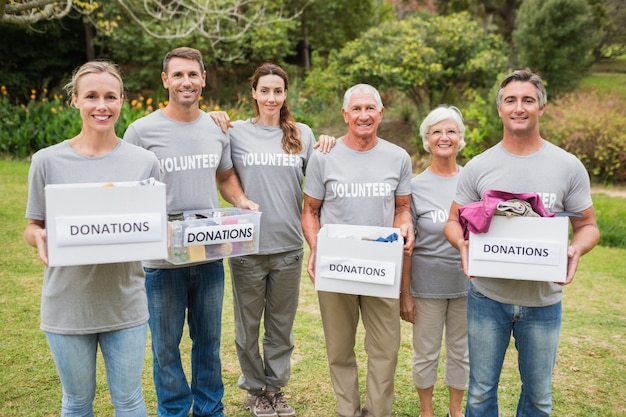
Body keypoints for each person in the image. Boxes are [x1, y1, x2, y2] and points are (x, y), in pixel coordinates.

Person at [444, 69, 600, 417]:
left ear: (541, 107)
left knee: (539, 398)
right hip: (487, 298)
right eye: (511, 100)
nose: (519, 107)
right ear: (499, 108)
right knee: (481, 395)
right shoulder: (479, 167)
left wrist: (576, 247)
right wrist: (463, 244)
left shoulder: (568, 166)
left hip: (543, 301)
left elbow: (588, 225)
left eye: (528, 100)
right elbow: (453, 221)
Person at [123, 47, 258, 417]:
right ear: (165, 80)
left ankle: (211, 410)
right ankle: (174, 411)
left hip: (209, 252)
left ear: (203, 79)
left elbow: (225, 175)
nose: (186, 82)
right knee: (166, 347)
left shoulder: (216, 128)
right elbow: (128, 191)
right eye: (178, 75)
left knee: (209, 343)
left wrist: (242, 201)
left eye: (193, 75)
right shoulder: (141, 131)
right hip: (161, 261)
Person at [24, 61, 161, 416]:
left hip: (125, 303)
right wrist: (37, 236)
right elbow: (32, 225)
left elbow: (153, 226)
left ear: (121, 101)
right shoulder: (46, 161)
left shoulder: (144, 162)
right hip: (67, 305)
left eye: (110, 97)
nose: (102, 105)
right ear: (75, 100)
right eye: (92, 96)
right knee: (76, 402)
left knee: (129, 400)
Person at [208, 62, 335, 417]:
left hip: (289, 248)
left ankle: (275, 390)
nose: (271, 97)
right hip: (247, 247)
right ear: (253, 93)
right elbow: (225, 176)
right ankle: (254, 391)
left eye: (277, 91)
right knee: (248, 328)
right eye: (264, 90)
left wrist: (330, 143)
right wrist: (212, 116)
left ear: (285, 94)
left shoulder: (303, 134)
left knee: (281, 327)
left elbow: (325, 178)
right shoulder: (234, 133)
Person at [301, 83, 414, 417]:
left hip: (382, 266)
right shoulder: (324, 156)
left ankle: (379, 412)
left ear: (380, 114)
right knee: (339, 348)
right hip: (338, 266)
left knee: (385, 348)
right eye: (357, 109)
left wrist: (404, 226)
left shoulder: (398, 157)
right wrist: (315, 248)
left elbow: (402, 208)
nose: (363, 115)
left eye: (370, 109)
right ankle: (347, 411)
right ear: (345, 114)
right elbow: (310, 211)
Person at [400, 106, 469, 417]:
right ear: (427, 139)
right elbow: (407, 247)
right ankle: (426, 411)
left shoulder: (473, 181)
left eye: (451, 131)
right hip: (426, 287)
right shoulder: (415, 187)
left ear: (460, 138)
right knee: (426, 354)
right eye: (437, 132)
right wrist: (405, 294)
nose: (444, 137)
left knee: (461, 354)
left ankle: (456, 412)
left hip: (467, 286)